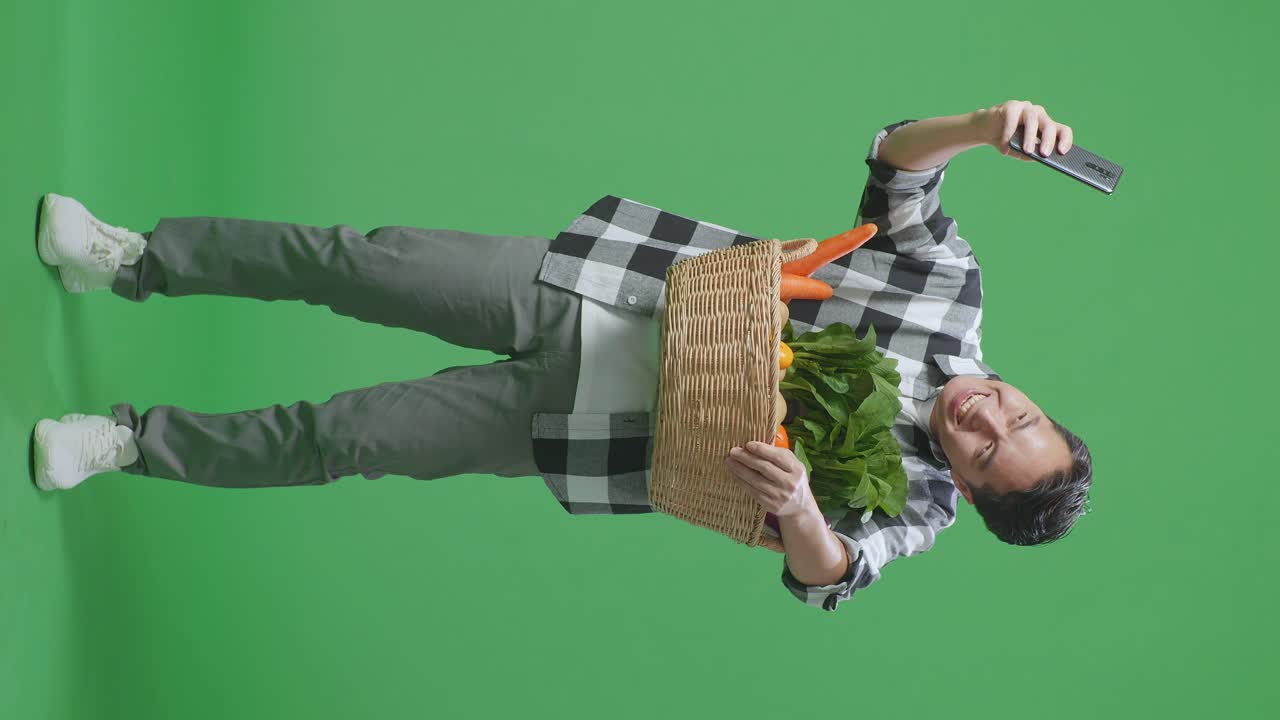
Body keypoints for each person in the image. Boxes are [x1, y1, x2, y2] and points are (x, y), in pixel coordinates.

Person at [32, 98, 1092, 612]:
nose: (990, 419)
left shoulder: (916, 506)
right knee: (352, 262)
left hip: (585, 428)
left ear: (968, 486)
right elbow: (897, 170)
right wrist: (986, 125)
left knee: (344, 437)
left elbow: (832, 579)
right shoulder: (949, 296)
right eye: (1022, 417)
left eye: (992, 454)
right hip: (599, 285)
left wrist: (805, 514)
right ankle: (128, 261)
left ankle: (128, 443)